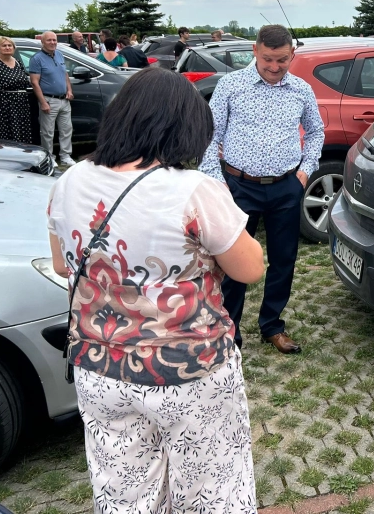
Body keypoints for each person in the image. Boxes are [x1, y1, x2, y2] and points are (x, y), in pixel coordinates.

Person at [47, 66, 265, 513]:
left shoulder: (69, 181)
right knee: (210, 487)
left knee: (124, 490)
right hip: (187, 370)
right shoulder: (194, 190)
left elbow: (61, 264)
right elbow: (250, 269)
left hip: (99, 366)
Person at [201, 24, 325, 355]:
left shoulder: (301, 90)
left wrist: (305, 171)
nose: (274, 66)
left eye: (282, 60)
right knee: (233, 261)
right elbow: (209, 135)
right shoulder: (231, 86)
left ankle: (272, 325)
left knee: (284, 259)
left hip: (286, 187)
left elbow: (315, 131)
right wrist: (216, 183)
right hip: (238, 187)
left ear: (292, 55)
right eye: (268, 59)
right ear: (255, 51)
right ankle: (230, 331)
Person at [29, 31, 75, 168]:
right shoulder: (36, 59)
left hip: (64, 100)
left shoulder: (59, 54)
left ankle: (65, 156)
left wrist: (69, 90)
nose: (52, 42)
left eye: (54, 40)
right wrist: (43, 102)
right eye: (49, 40)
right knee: (47, 132)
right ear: (42, 42)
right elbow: (34, 82)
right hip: (49, 100)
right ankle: (49, 157)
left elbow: (64, 74)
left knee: (66, 130)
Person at [0, 36, 32, 143]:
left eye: (10, 45)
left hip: (21, 106)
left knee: (21, 134)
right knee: (4, 137)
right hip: (3, 108)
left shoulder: (18, 62)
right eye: (4, 45)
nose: (7, 48)